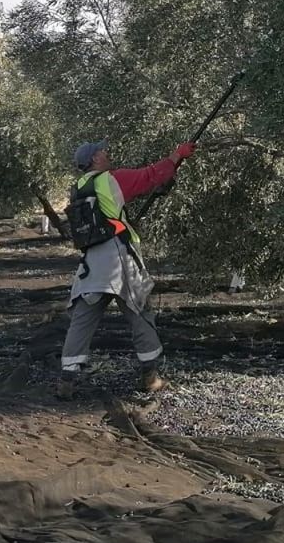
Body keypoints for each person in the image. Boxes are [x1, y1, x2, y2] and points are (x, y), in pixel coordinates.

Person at [58, 139, 195, 398]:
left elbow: (108, 213)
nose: (106, 152)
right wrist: (177, 155)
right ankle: (150, 377)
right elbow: (151, 176)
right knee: (140, 311)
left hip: (91, 265)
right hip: (119, 259)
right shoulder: (111, 179)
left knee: (82, 319)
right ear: (95, 159)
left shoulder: (79, 187)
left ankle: (67, 380)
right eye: (102, 150)